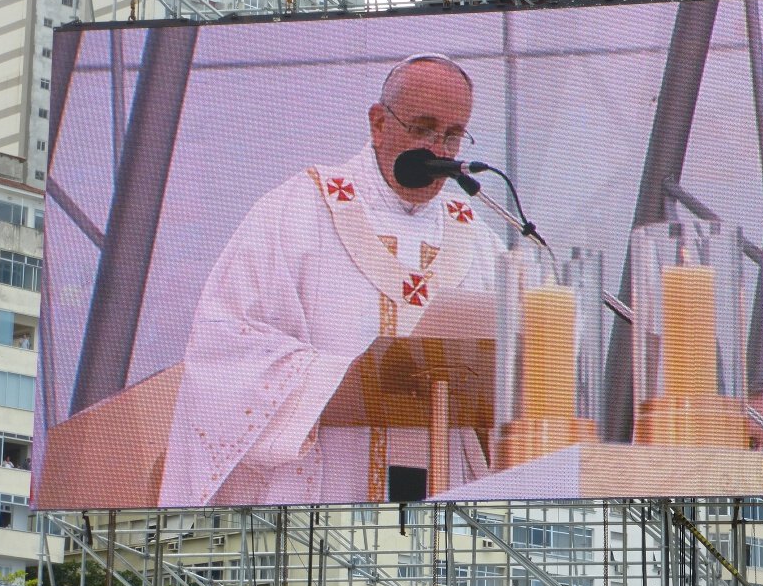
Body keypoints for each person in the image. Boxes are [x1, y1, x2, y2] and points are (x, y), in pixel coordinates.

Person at [159, 54, 504, 507]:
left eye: (453, 135)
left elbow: (516, 379)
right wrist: (344, 380)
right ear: (378, 123)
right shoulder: (297, 212)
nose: (439, 152)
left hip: (445, 496)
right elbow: (226, 345)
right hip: (327, 500)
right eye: (422, 129)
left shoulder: (479, 239)